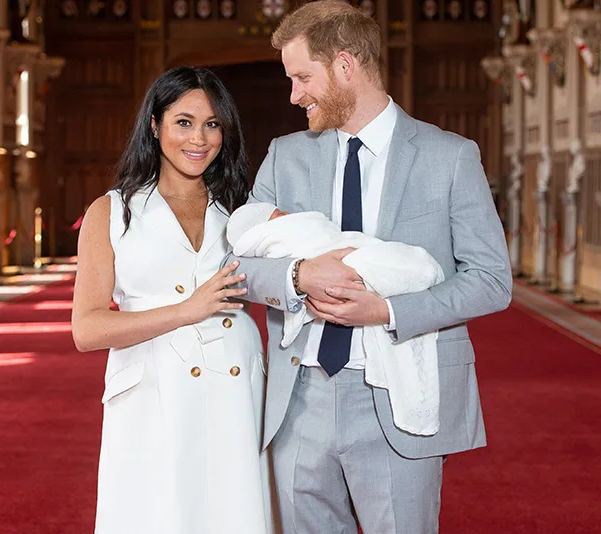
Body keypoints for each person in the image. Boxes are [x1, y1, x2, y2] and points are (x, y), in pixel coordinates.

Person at [224, 1, 513, 533]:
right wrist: (296, 277)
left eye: (302, 77)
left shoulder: (449, 157)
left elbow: (492, 281)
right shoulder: (285, 155)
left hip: (398, 396)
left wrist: (387, 309)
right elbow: (234, 262)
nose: (294, 95)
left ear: (345, 65)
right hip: (299, 399)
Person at [71, 67, 276, 534]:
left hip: (236, 381)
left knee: (236, 508)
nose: (199, 138)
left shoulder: (243, 208)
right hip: (151, 388)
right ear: (154, 124)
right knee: (158, 511)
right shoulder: (113, 211)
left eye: (212, 124)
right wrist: (186, 311)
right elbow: (87, 329)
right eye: (183, 122)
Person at [227, 202, 444, 436]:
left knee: (380, 260)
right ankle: (417, 269)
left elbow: (487, 275)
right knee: (372, 265)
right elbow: (234, 268)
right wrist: (300, 276)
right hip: (302, 387)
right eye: (280, 215)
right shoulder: (278, 174)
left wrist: (387, 311)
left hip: (377, 378)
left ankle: (418, 269)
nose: (288, 215)